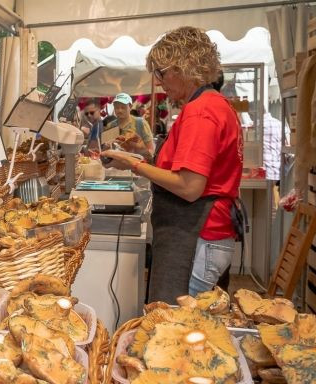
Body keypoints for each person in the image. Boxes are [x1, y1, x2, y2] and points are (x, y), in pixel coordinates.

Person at [102, 26, 242, 302]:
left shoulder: (200, 112)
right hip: (203, 235)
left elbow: (189, 186)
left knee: (177, 327)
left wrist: (133, 164)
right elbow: (187, 170)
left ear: (183, 67)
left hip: (195, 237)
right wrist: (144, 153)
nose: (159, 82)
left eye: (161, 73)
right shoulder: (214, 104)